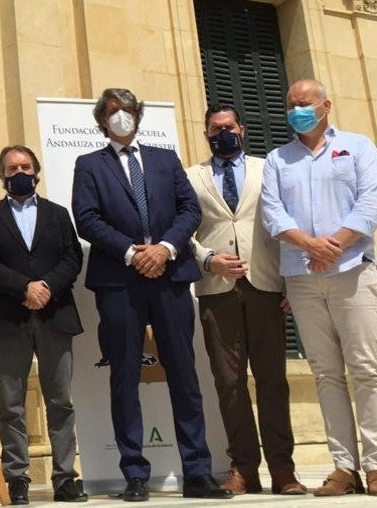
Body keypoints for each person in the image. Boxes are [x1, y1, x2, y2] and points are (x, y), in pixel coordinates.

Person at [71, 87, 230, 501]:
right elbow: (86, 218)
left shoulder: (165, 159)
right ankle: (134, 475)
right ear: (102, 121)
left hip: (171, 275)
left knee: (183, 373)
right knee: (124, 375)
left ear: (138, 115)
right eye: (111, 112)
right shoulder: (89, 165)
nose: (120, 116)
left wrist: (165, 249)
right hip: (120, 282)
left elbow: (189, 210)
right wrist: (130, 252)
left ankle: (197, 472)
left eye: (126, 110)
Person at [260, 79, 377, 497]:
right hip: (302, 278)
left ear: (326, 106)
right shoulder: (277, 159)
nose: (298, 109)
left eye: (305, 103)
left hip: (353, 270)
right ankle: (344, 468)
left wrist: (334, 246)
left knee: (366, 368)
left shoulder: (357, 147)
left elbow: (371, 202)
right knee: (326, 374)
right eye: (292, 104)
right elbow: (273, 213)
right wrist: (310, 246)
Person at [185, 104, 305, 496]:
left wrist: (292, 281)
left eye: (229, 126)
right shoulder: (192, 177)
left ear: (242, 129)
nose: (223, 132)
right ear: (206, 134)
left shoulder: (267, 168)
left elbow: (289, 221)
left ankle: (283, 470)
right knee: (229, 383)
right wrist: (207, 259)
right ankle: (243, 468)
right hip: (216, 291)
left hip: (266, 286)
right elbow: (183, 229)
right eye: (215, 128)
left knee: (273, 380)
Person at [0, 145, 88, 506]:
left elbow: (72, 257)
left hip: (55, 314)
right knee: (11, 403)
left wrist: (47, 287)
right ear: (2, 175)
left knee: (61, 401)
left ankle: (66, 477)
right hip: (9, 317)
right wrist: (23, 287)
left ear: (36, 171)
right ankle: (17, 478)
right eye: (11, 167)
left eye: (25, 166)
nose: (19, 172)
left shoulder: (57, 214)